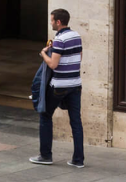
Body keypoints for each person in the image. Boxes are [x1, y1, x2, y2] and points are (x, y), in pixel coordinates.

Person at [31, 9, 84, 168]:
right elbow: (79, 57)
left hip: (59, 85)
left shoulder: (60, 39)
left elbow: (53, 64)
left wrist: (43, 54)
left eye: (52, 20)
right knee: (76, 121)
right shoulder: (76, 36)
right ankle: (78, 160)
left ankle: (46, 155)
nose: (51, 23)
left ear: (59, 22)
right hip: (75, 84)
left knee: (45, 115)